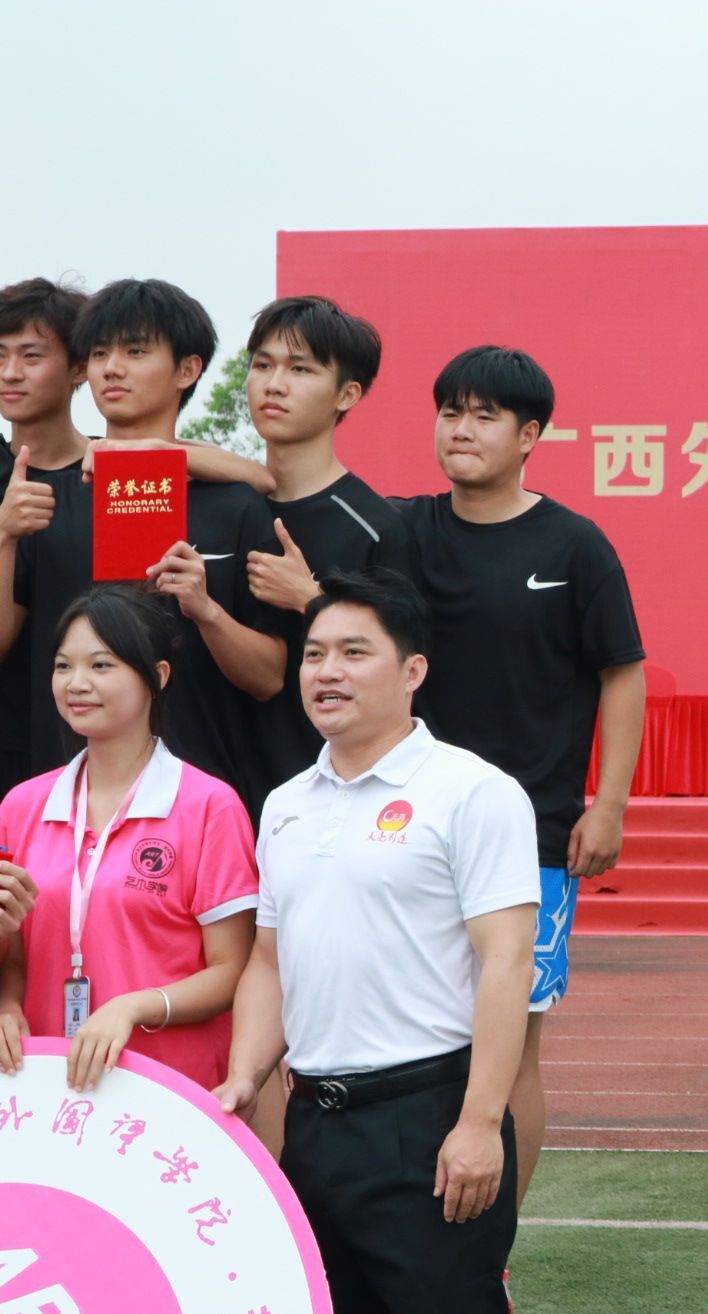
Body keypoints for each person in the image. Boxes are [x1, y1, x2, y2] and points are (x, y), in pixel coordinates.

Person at [217, 569, 539, 1314]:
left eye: (354, 652)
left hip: (430, 1126)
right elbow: (268, 961)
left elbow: (506, 960)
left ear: (413, 671)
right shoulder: (287, 803)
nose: (327, 672)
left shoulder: (472, 792)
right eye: (315, 654)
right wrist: (243, 1077)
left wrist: (480, 1123)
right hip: (319, 1130)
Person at [397, 345, 646, 1208]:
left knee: (511, 1047)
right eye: (450, 412)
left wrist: (607, 805)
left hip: (531, 834)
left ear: (529, 435)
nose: (461, 430)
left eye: (485, 416)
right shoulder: (404, 531)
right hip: (408, 828)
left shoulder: (575, 546)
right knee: (413, 1031)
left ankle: (494, 1237)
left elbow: (622, 673)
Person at [0, 587, 256, 1088]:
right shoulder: (21, 806)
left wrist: (134, 1006)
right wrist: (6, 1005)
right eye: (63, 666)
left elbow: (233, 971)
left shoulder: (208, 805)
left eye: (101, 665)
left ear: (157, 676)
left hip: (167, 1090)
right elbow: (15, 958)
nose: (77, 684)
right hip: (46, 1084)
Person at [53, 280, 291, 817]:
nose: (112, 369)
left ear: (187, 370)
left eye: (136, 352)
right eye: (99, 354)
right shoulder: (46, 502)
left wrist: (205, 610)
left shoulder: (237, 506)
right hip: (59, 803)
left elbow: (270, 677)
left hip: (202, 799)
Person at [236, 295, 415, 793]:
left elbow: (400, 667)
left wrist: (311, 600)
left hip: (334, 790)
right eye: (262, 365)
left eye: (300, 369)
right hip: (215, 791)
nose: (274, 384)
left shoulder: (376, 526)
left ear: (347, 394)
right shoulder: (224, 507)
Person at [0, 277, 91, 792]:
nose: (10, 373)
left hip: (103, 747)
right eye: (0, 356)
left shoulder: (116, 473)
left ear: (79, 367)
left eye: (31, 356)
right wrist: (4, 534)